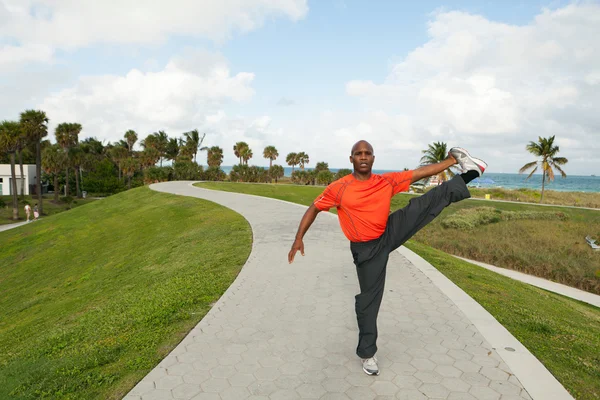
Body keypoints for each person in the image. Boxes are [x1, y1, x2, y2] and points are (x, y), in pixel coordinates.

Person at [287, 140, 487, 376]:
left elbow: (418, 173)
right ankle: (368, 353)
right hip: (366, 250)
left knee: (422, 204)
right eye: (358, 153)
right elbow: (314, 208)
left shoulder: (385, 181)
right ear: (351, 159)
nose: (363, 157)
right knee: (368, 301)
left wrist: (451, 161)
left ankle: (472, 172)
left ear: (373, 158)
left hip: (388, 231)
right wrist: (299, 237)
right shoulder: (339, 188)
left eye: (367, 153)